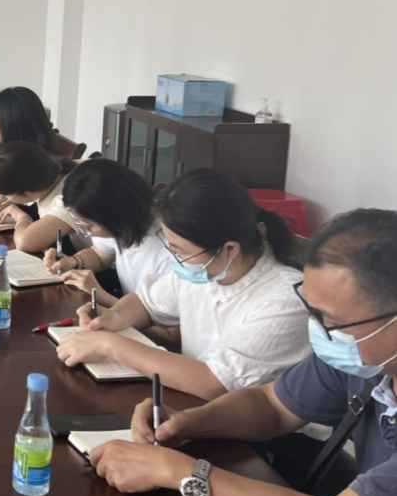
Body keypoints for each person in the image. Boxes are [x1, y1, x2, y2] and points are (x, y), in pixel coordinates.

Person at [89, 208, 397, 496]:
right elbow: (272, 405)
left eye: (331, 320)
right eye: (311, 311)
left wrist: (180, 472)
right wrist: (190, 423)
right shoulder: (361, 361)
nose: (318, 329)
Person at [55, 168, 308, 401]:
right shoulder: (207, 269)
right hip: (191, 402)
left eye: (179, 251)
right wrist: (113, 317)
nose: (174, 258)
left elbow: (214, 382)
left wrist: (110, 345)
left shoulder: (287, 298)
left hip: (250, 427)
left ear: (229, 249)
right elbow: (146, 303)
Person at [44, 159, 173, 307]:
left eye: (88, 227)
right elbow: (99, 255)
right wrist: (72, 262)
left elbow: (155, 321)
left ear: (115, 217)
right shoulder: (125, 226)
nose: (87, 232)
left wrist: (100, 294)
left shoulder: (169, 253)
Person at [0, 141, 90, 254]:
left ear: (31, 192)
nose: (0, 198)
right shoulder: (61, 172)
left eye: (5, 195)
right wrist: (0, 208)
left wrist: (22, 218)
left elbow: (25, 242)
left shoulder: (67, 199)